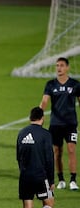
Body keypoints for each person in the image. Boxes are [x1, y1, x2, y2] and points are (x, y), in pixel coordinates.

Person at [39, 57, 80, 191]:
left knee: (71, 150)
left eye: (62, 65)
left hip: (70, 124)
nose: (59, 68)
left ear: (67, 67)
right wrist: (39, 114)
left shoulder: (75, 84)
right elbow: (45, 101)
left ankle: (73, 180)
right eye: (57, 65)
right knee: (57, 152)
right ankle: (61, 179)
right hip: (56, 124)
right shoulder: (51, 84)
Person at [16, 107, 55, 208]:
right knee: (49, 203)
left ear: (30, 118)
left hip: (25, 175)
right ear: (42, 118)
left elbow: (18, 157)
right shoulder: (45, 134)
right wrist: (51, 181)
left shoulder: (21, 133)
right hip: (40, 175)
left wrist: (24, 172)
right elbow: (50, 159)